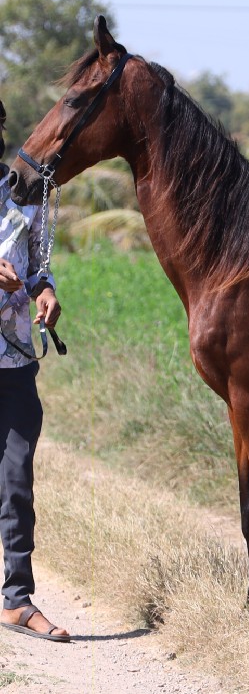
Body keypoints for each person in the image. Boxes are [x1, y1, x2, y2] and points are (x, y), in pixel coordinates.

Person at [0, 99, 68, 642]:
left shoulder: (27, 197)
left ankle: (17, 600)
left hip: (17, 362)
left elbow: (41, 266)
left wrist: (45, 292)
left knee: (17, 481)